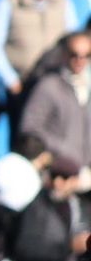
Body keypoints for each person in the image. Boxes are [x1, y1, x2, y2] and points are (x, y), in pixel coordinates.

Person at [0, 0, 75, 131]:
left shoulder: (64, 4)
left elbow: (73, 41)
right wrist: (10, 79)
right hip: (22, 87)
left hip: (55, 85)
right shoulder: (10, 2)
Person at [19, 31, 91, 191]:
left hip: (83, 177)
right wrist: (62, 151)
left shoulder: (86, 88)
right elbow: (30, 128)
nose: (80, 61)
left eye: (86, 55)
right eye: (75, 55)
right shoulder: (49, 86)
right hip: (55, 176)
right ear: (65, 55)